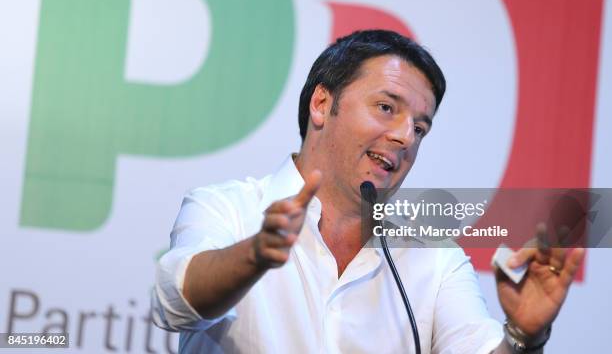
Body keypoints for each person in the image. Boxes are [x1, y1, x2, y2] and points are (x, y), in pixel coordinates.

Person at [152, 30, 584, 353]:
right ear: (321, 104)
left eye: (420, 127)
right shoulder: (226, 208)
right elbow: (176, 303)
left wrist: (523, 335)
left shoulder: (434, 259)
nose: (405, 138)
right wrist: (254, 255)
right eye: (386, 108)